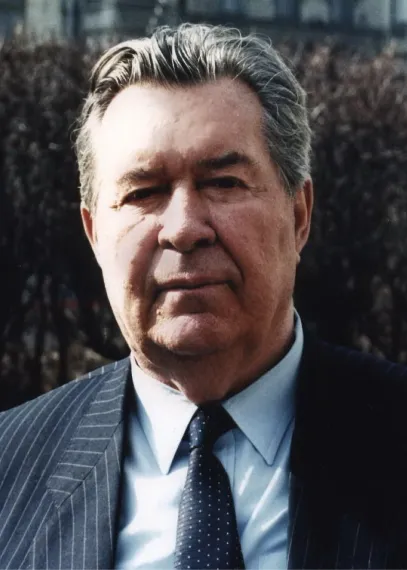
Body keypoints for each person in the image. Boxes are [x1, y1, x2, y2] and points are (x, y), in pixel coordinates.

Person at [0, 23, 406, 570]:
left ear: (298, 215)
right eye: (143, 192)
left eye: (223, 183)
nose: (184, 228)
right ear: (95, 235)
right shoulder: (11, 470)